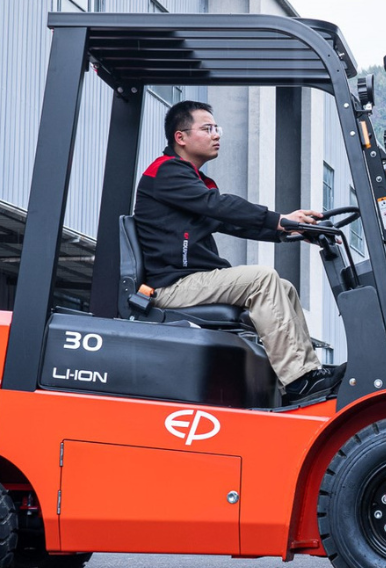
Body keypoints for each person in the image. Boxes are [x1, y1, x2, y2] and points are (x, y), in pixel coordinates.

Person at [133, 99, 343, 403]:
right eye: (207, 129)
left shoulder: (192, 181)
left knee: (283, 288)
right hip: (171, 286)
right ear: (181, 137)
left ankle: (306, 375)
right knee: (262, 279)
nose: (216, 135)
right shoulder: (166, 172)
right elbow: (221, 206)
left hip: (191, 281)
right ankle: (299, 379)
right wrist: (279, 219)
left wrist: (291, 231)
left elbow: (229, 221)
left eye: (216, 128)